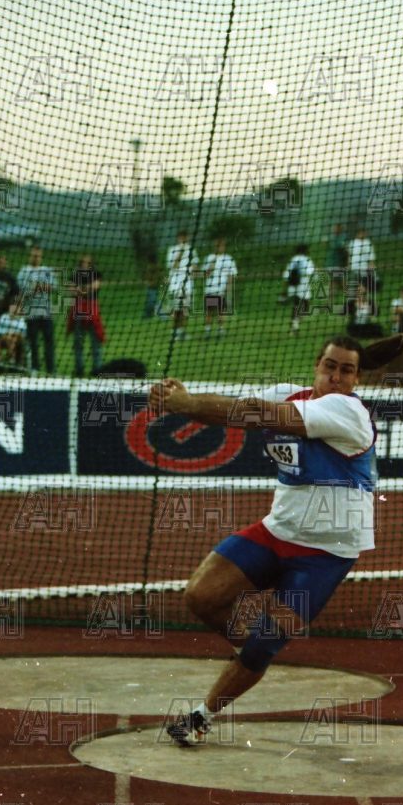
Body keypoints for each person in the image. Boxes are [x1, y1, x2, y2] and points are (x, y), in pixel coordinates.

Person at [148, 335, 376, 746]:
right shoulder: (287, 394)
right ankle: (253, 652)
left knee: (265, 643)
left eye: (346, 370)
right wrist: (184, 399)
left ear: (356, 379)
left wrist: (186, 404)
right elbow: (236, 409)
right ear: (317, 365)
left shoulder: (347, 411)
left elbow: (258, 414)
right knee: (201, 597)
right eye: (330, 366)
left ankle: (202, 715)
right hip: (278, 530)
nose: (336, 376)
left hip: (326, 552)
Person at [17, 246, 58, 374]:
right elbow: (22, 290)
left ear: (41, 257)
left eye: (38, 256)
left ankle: (51, 369)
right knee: (33, 342)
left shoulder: (47, 270)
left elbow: (53, 287)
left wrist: (37, 287)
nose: (36, 258)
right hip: (31, 313)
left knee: (49, 341)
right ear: (30, 256)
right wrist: (37, 288)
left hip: (46, 312)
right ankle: (35, 368)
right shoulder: (24, 271)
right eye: (34, 255)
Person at [66, 255, 105, 376]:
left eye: (87, 262)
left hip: (92, 311)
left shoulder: (96, 274)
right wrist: (85, 288)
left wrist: (81, 289)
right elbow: (71, 289)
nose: (85, 264)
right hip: (79, 311)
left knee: (95, 342)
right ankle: (79, 369)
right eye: (83, 262)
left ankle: (97, 369)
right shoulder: (75, 275)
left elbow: (95, 286)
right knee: (78, 343)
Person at [162, 230, 199, 340]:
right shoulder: (172, 250)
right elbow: (172, 266)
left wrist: (193, 272)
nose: (183, 239)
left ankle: (182, 331)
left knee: (185, 310)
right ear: (178, 238)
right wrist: (180, 253)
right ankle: (175, 332)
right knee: (175, 309)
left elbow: (195, 265)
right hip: (175, 285)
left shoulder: (192, 249)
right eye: (181, 237)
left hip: (187, 285)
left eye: (185, 237)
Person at [202, 238, 237, 339]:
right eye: (217, 246)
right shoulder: (209, 258)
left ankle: (220, 330)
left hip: (221, 289)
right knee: (209, 312)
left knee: (221, 311)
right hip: (209, 289)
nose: (219, 248)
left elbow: (232, 275)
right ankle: (207, 331)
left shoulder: (228, 258)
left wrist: (229, 287)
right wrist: (212, 265)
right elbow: (205, 274)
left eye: (221, 246)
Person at [283, 244, 315, 334]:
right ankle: (295, 324)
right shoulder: (307, 259)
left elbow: (286, 274)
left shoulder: (293, 259)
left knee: (296, 305)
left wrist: (285, 288)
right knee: (305, 306)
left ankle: (294, 323)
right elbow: (310, 272)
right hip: (303, 284)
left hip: (293, 285)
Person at [346, 227, 376, 319]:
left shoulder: (368, 243)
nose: (362, 234)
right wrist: (348, 265)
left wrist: (371, 267)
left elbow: (371, 257)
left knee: (363, 290)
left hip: (364, 270)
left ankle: (365, 308)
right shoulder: (352, 242)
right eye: (361, 232)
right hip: (353, 269)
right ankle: (351, 310)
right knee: (352, 290)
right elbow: (349, 255)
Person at [0, 302, 28, 371]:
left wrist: (12, 334)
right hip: (4, 339)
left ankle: (11, 359)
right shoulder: (4, 317)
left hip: (17, 341)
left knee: (12, 338)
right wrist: (7, 334)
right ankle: (0, 362)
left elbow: (23, 335)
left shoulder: (21, 320)